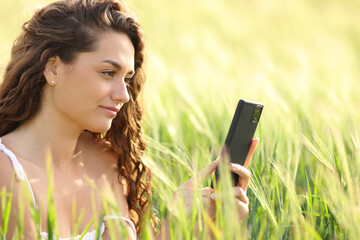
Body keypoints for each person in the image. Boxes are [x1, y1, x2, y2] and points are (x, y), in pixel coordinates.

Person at [0, 0, 258, 239]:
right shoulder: (6, 172)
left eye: (126, 78)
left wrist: (202, 228)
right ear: (53, 67)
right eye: (108, 72)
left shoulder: (105, 161)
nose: (124, 95)